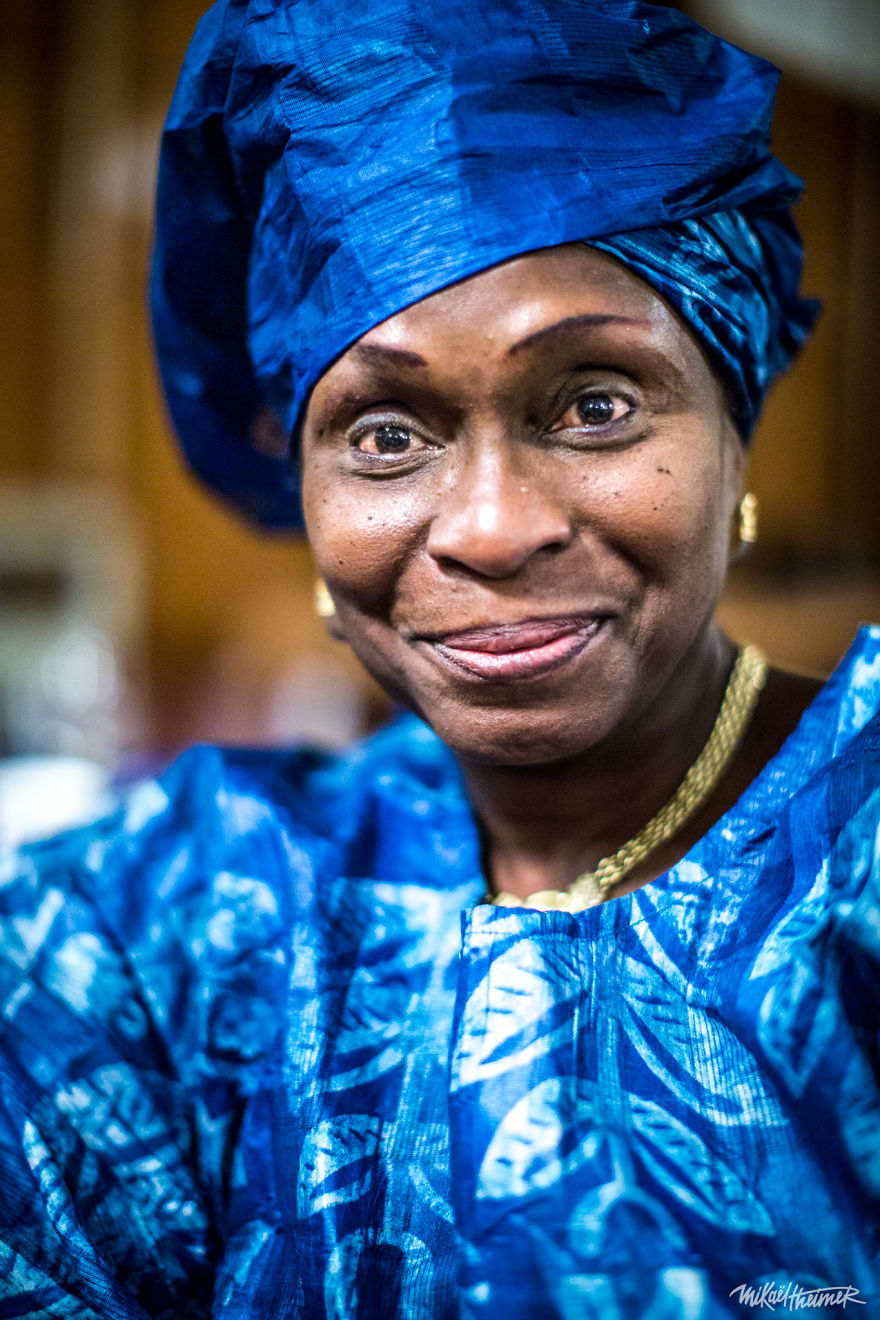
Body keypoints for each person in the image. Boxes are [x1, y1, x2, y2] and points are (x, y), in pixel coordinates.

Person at [1, 0, 878, 1316]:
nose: (490, 529)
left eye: (595, 404)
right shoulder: (169, 921)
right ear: (301, 490)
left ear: (733, 435)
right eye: (386, 435)